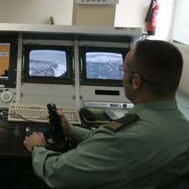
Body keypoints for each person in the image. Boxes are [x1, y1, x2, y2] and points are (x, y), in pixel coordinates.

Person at [24, 40, 189, 188]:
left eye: (123, 70)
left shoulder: (122, 138)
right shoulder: (183, 128)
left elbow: (57, 174)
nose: (122, 76)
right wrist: (73, 131)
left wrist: (37, 148)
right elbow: (108, 144)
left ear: (136, 82)